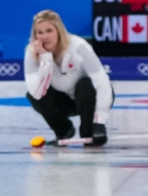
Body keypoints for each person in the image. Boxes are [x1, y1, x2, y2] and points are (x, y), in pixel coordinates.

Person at [24, 9, 113, 146]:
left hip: (88, 98)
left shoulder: (79, 46)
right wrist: (46, 59)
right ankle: (63, 130)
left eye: (49, 31)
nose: (44, 36)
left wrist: (100, 123)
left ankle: (88, 130)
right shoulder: (32, 53)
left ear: (59, 31)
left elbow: (102, 83)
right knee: (35, 94)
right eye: (39, 32)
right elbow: (36, 91)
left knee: (86, 85)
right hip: (63, 102)